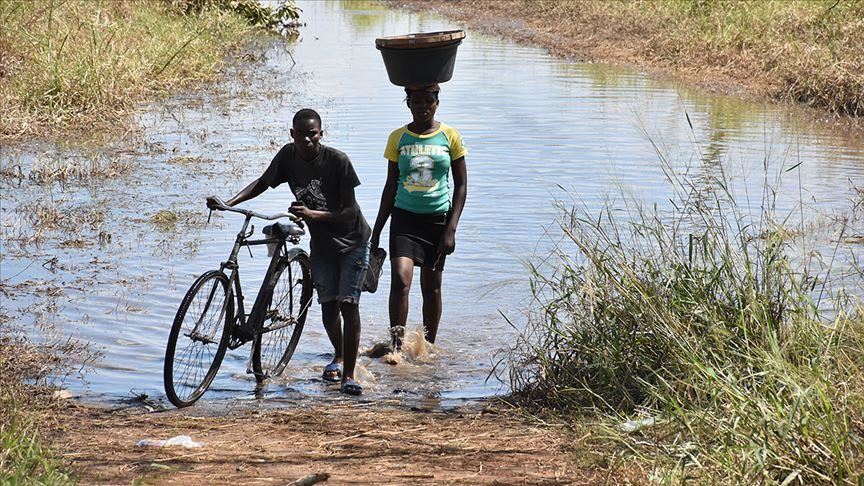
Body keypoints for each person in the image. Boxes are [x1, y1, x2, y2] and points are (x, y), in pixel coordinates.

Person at [207, 108, 371, 395]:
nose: (307, 139)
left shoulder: (338, 162)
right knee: (328, 309)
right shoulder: (288, 156)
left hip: (352, 241)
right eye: (301, 134)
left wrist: (311, 213)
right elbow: (263, 182)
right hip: (321, 245)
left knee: (348, 304)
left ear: (321, 134)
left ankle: (349, 375)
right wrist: (229, 203)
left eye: (313, 134)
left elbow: (347, 212)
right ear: (291, 134)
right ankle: (340, 354)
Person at [370, 84, 468, 351]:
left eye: (428, 100)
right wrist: (377, 229)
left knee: (432, 287)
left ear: (437, 103)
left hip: (438, 221)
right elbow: (391, 185)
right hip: (404, 219)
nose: (423, 106)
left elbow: (461, 185)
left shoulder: (450, 136)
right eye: (416, 101)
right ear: (408, 104)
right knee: (401, 281)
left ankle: (428, 347)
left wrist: (451, 229)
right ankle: (396, 348)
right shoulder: (398, 137)